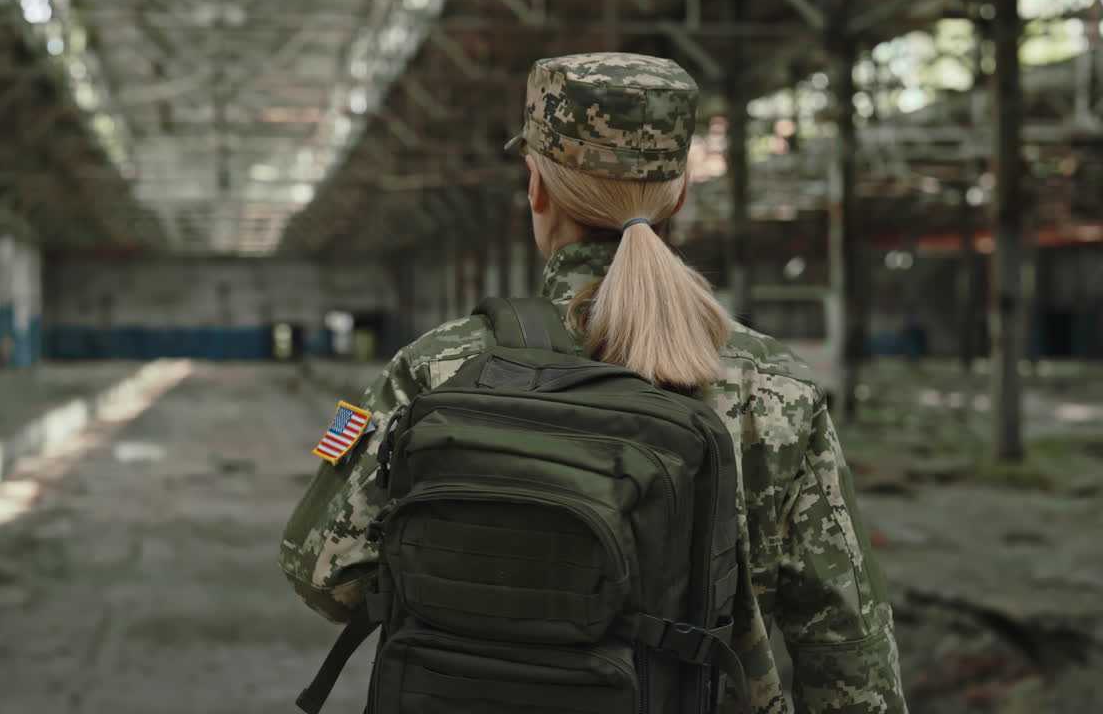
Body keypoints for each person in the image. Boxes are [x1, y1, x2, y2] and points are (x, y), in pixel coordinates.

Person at [280, 52, 905, 713]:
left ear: (536, 186)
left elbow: (319, 570)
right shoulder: (776, 386)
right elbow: (847, 647)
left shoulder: (432, 366)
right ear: (680, 193)